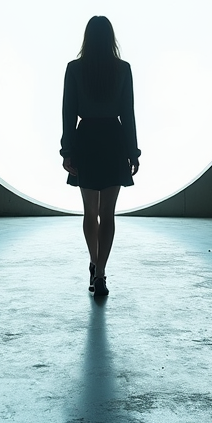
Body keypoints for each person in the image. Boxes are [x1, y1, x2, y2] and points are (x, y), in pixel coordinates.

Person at [60, 16, 140, 296]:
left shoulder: (74, 69)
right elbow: (127, 113)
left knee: (90, 212)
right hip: (113, 140)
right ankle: (102, 273)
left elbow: (68, 112)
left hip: (86, 140)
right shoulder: (122, 69)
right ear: (110, 38)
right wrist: (133, 151)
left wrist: (67, 150)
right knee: (108, 214)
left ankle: (94, 265)